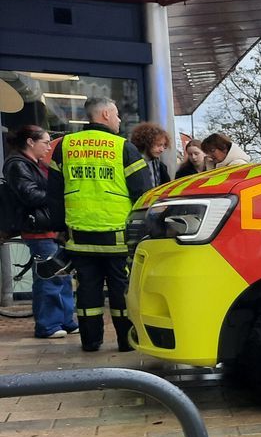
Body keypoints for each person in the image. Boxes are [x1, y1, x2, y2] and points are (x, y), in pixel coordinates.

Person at [47, 97, 151, 352]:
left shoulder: (65, 146)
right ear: (105, 114)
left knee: (87, 291)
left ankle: (91, 342)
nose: (119, 120)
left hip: (79, 235)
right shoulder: (123, 147)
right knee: (121, 290)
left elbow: (54, 192)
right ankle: (126, 342)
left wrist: (59, 227)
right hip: (117, 235)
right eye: (116, 114)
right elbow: (142, 192)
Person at [2, 125, 78, 339]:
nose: (48, 147)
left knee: (61, 276)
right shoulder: (17, 164)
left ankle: (65, 320)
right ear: (30, 142)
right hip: (38, 229)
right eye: (45, 142)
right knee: (49, 278)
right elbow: (29, 195)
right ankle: (48, 325)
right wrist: (57, 197)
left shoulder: (31, 164)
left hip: (48, 228)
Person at [129, 122, 171, 187]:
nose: (162, 149)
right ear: (146, 143)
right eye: (158, 145)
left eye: (164, 146)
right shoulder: (132, 164)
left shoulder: (161, 167)